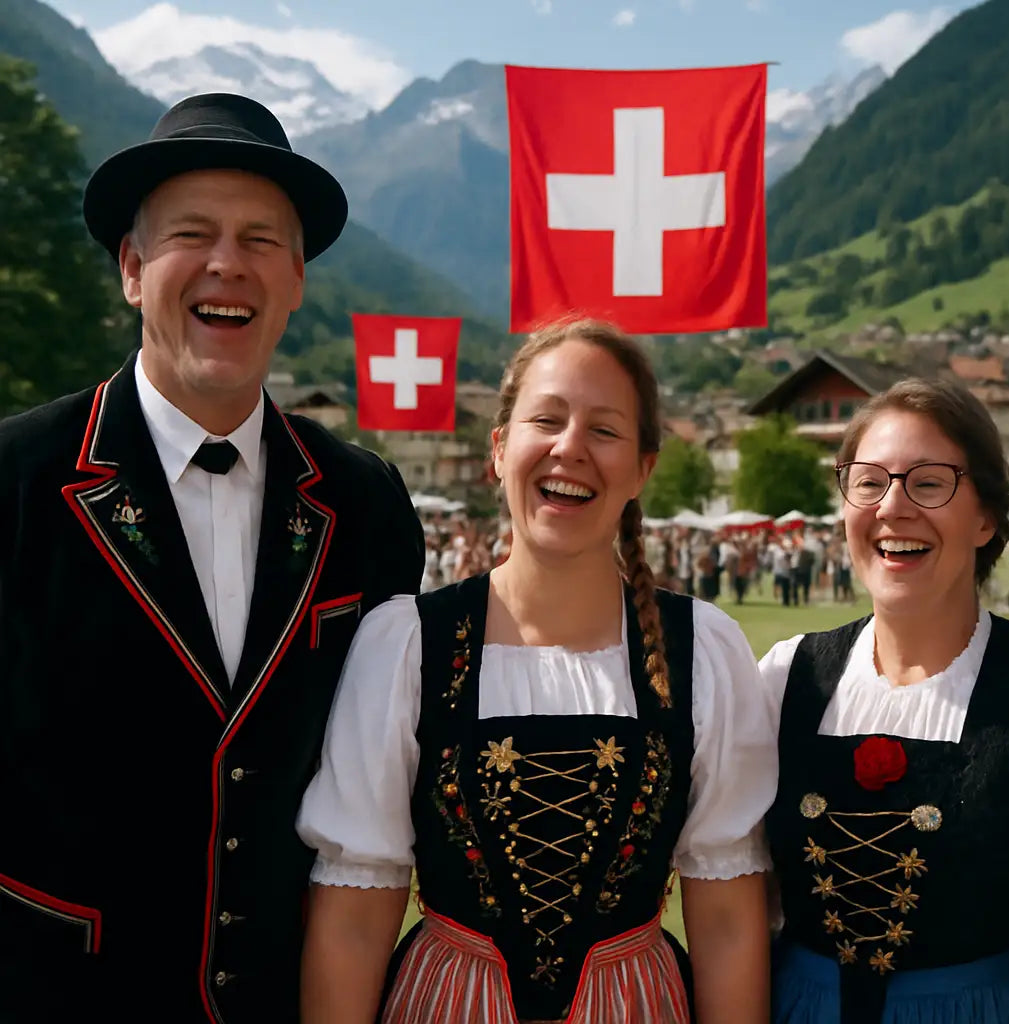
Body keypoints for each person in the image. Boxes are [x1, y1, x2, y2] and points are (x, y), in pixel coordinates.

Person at [0, 93, 424, 1021]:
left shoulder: (366, 504)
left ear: (297, 279)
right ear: (132, 267)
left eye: (261, 240)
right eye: (192, 234)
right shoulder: (16, 481)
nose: (228, 263)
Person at [296, 317, 776, 1023]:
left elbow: (728, 921)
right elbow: (354, 917)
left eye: (604, 430)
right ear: (499, 449)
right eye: (546, 420)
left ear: (643, 468)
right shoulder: (408, 646)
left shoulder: (701, 650)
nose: (570, 447)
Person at [759, 379, 1009, 1024]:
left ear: (985, 518)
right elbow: (744, 914)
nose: (892, 506)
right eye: (869, 482)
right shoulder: (785, 678)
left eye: (928, 483)